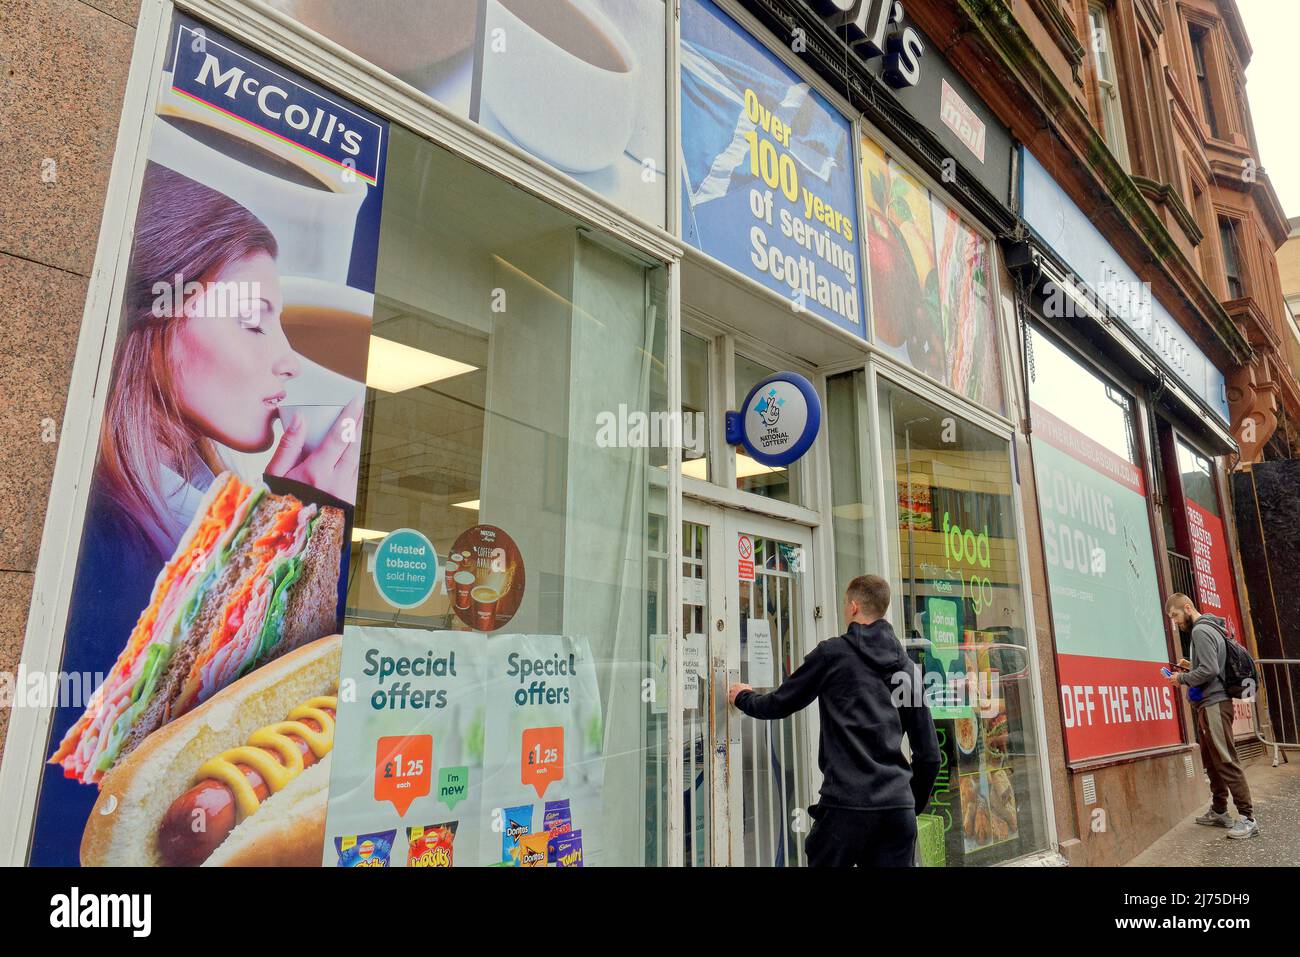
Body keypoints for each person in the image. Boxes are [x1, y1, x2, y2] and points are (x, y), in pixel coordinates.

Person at [727, 574, 940, 867]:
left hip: (847, 808)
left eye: (844, 604)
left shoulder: (833, 655)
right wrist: (906, 804)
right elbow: (929, 756)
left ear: (853, 607)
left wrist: (743, 697)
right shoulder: (908, 669)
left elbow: (780, 703)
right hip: (897, 811)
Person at [1165, 593, 1258, 839]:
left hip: (1214, 704)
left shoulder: (1200, 631)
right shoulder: (1211, 628)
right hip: (1210, 704)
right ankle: (1219, 811)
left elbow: (1210, 670)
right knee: (1212, 760)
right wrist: (1190, 666)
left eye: (1175, 615)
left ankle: (1248, 819)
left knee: (1225, 760)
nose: (1175, 622)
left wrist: (1181, 677)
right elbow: (1209, 665)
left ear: (1187, 607)